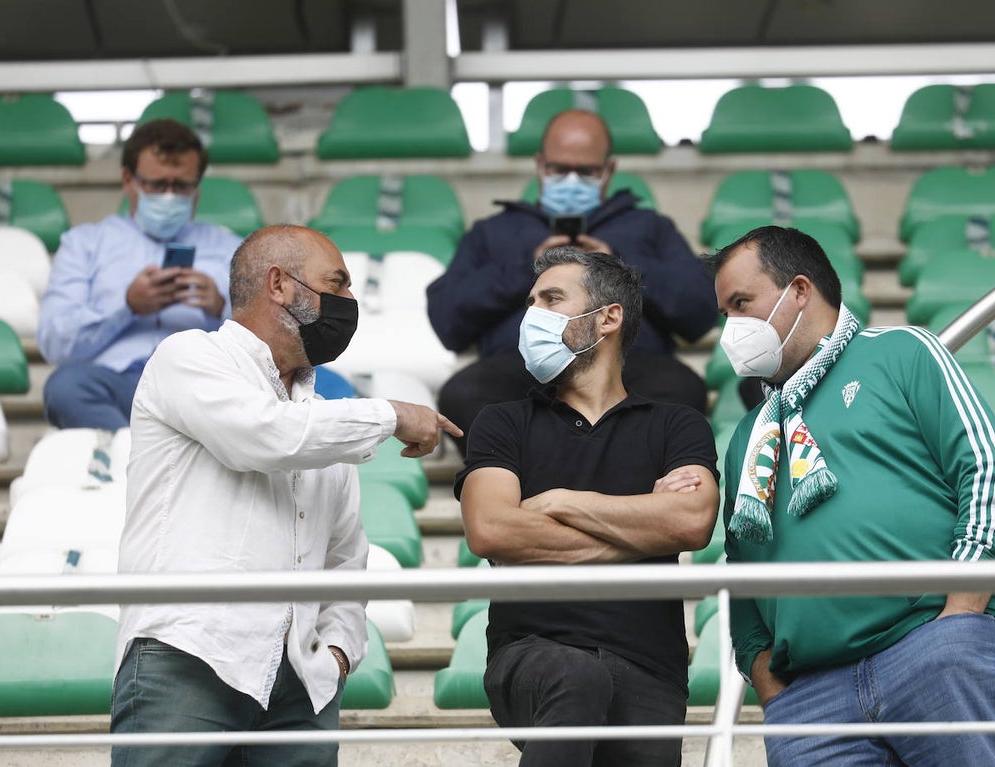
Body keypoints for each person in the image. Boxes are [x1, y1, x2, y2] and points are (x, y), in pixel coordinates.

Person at [110, 225, 461, 766]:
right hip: (189, 656)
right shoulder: (186, 355)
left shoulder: (323, 419)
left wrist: (339, 653)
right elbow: (260, 436)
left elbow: (347, 558)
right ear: (278, 284)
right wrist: (392, 414)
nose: (350, 302)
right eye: (337, 284)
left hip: (302, 682)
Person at [708, 226, 995, 766]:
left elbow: (987, 469)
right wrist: (771, 686)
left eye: (741, 304)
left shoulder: (903, 352)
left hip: (933, 649)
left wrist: (958, 617)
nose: (731, 328)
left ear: (798, 290)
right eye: (724, 313)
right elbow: (742, 574)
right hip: (811, 701)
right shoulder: (749, 434)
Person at [457, 246, 721, 766]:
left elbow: (691, 521)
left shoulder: (676, 424)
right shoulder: (502, 421)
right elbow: (491, 530)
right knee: (578, 675)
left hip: (652, 666)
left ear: (609, 318)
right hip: (529, 652)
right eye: (531, 302)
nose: (532, 314)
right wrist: (641, 530)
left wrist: (562, 502)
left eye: (552, 299)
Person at [427, 109, 718, 452]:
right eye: (559, 169)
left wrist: (621, 265)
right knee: (466, 393)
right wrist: (530, 267)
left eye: (586, 172)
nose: (571, 180)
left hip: (630, 367)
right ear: (540, 165)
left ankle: (617, 478)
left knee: (680, 388)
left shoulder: (649, 228)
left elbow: (700, 311)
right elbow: (447, 318)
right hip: (519, 370)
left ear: (608, 171)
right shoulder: (494, 232)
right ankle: (522, 483)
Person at [38, 118, 243, 430]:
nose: (170, 196)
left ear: (197, 189)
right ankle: (137, 460)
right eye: (157, 185)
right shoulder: (84, 244)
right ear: (127, 180)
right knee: (65, 388)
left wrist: (220, 308)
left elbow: (265, 339)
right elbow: (54, 342)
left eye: (182, 186)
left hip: (200, 386)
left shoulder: (230, 247)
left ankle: (130, 463)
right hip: (116, 383)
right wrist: (127, 308)